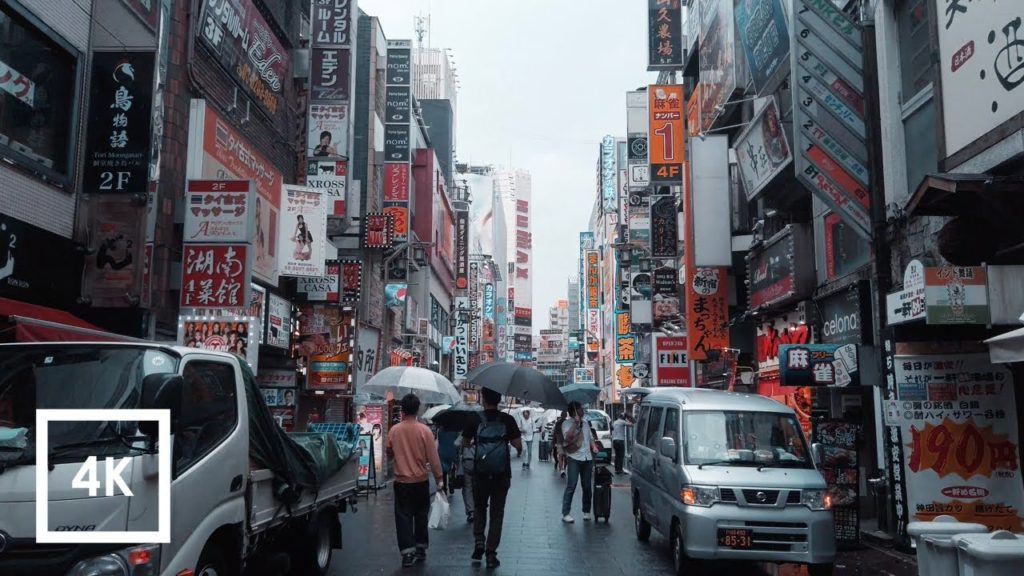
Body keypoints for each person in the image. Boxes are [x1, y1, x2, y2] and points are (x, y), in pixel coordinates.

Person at [462, 388, 522, 569]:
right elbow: (518, 445)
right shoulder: (507, 419)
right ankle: (491, 553)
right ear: (499, 399)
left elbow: (465, 443)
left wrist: (478, 443)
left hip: (480, 473)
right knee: (497, 513)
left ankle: (479, 541)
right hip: (501, 474)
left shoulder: (474, 419)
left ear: (483, 399)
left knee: (479, 507)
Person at [386, 394, 444, 568]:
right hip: (420, 480)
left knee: (403, 516)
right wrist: (439, 478)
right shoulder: (425, 431)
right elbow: (433, 457)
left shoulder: (394, 430)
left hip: (402, 481)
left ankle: (407, 553)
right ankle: (420, 547)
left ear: (402, 410)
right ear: (418, 409)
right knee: (420, 515)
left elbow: (389, 452)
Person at [561, 402, 599, 523]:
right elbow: (567, 438)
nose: (583, 410)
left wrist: (594, 447)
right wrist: (575, 424)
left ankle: (586, 511)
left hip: (587, 458)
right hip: (574, 458)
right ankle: (566, 513)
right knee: (571, 485)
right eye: (580, 409)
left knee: (587, 486)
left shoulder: (586, 423)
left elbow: (590, 438)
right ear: (575, 411)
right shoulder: (566, 424)